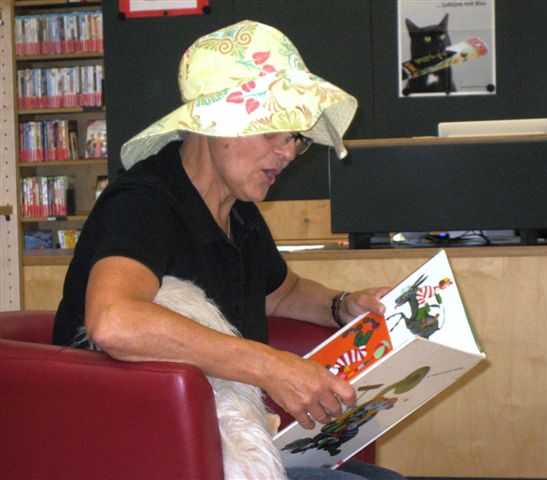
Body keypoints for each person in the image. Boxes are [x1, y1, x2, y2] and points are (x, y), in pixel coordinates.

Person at [53, 20, 405, 480]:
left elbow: (280, 292)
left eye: (294, 138)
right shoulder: (143, 202)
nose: (287, 153)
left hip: (221, 441)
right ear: (211, 123)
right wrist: (270, 367)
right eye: (273, 132)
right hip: (139, 447)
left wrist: (342, 305)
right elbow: (115, 321)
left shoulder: (238, 212)